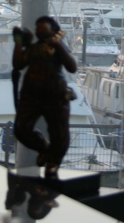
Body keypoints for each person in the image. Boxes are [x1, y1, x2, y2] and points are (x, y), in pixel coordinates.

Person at [12, 16, 77, 178]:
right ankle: (44, 148)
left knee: (59, 132)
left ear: (53, 29)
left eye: (42, 25)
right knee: (21, 129)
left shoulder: (57, 47)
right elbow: (18, 64)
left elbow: (72, 67)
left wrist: (58, 46)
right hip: (31, 95)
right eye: (37, 26)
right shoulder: (33, 49)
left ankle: (54, 161)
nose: (38, 28)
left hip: (55, 95)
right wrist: (18, 43)